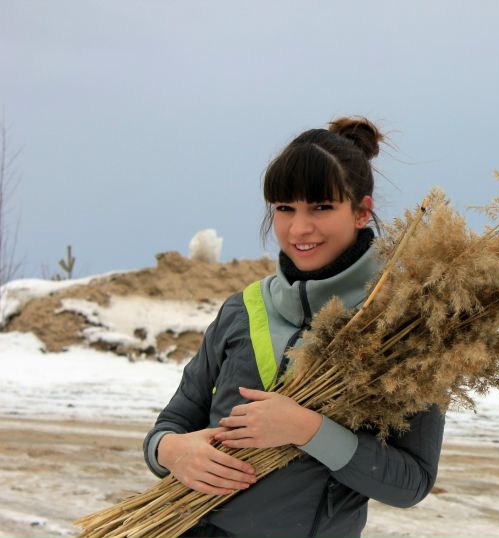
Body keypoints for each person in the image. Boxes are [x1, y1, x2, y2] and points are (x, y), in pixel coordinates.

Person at [142, 117, 445, 538]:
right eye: (285, 208)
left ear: (362, 212)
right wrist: (170, 451)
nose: (298, 228)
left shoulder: (402, 327)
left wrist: (307, 429)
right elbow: (172, 422)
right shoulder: (243, 310)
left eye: (321, 207)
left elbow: (411, 482)